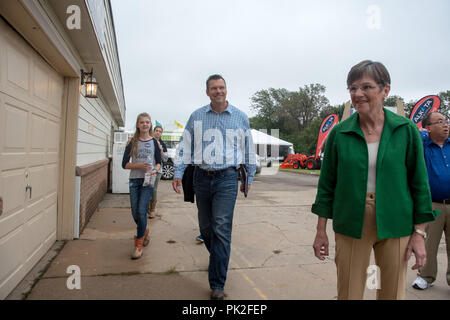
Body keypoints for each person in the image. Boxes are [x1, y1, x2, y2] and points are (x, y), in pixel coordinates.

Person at [311, 60, 438, 300]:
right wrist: (321, 231)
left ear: (385, 90)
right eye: (352, 88)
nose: (358, 94)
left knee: (392, 293)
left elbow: (419, 185)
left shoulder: (406, 130)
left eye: (366, 87)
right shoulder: (340, 133)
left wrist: (419, 234)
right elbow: (327, 185)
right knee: (348, 292)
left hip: (396, 219)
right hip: (350, 219)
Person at [172, 74, 256, 300]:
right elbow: (185, 147)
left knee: (220, 227)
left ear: (226, 90)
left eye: (222, 87)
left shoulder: (240, 117)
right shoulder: (197, 116)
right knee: (206, 229)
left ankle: (217, 284)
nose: (218, 91)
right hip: (201, 178)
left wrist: (249, 177)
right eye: (214, 88)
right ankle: (219, 258)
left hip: (227, 178)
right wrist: (178, 173)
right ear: (207, 92)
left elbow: (249, 149)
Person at [412, 112, 450, 290]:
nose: (445, 125)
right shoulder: (424, 146)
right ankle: (426, 277)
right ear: (428, 128)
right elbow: (414, 134)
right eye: (440, 122)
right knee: (429, 243)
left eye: (446, 121)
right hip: (433, 204)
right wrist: (423, 132)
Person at [122, 113, 162, 259]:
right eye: (142, 122)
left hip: (147, 182)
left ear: (150, 125)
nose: (145, 124)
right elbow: (124, 164)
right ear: (138, 125)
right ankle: (144, 231)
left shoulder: (155, 143)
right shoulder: (132, 142)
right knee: (135, 213)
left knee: (141, 211)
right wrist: (139, 165)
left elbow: (158, 162)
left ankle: (138, 246)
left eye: (147, 122)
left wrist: (155, 170)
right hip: (134, 181)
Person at [147, 125, 168, 218]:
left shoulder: (163, 144)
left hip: (158, 170)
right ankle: (146, 207)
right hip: (147, 169)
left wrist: (161, 150)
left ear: (161, 133)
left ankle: (152, 209)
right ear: (153, 131)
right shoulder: (148, 141)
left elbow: (165, 159)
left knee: (153, 189)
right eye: (156, 130)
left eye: (160, 131)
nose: (158, 132)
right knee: (146, 188)